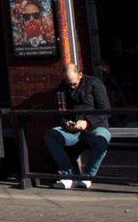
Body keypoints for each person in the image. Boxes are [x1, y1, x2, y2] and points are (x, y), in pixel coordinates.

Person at [44, 58, 111, 188]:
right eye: (69, 85)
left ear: (80, 75)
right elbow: (59, 111)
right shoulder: (63, 86)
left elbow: (105, 110)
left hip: (94, 127)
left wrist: (88, 123)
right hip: (73, 130)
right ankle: (69, 175)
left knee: (102, 139)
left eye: (74, 84)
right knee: (50, 135)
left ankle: (87, 176)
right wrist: (64, 122)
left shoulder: (94, 84)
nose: (72, 87)